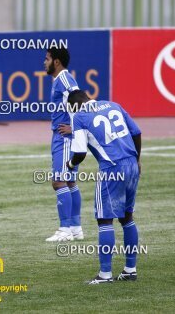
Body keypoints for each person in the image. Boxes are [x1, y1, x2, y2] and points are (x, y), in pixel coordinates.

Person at [66, 90, 141, 284]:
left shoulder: (80, 117)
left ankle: (105, 275)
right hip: (132, 163)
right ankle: (130, 269)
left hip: (112, 168)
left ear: (74, 106)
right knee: (127, 217)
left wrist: (71, 165)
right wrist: (137, 160)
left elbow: (80, 152)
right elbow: (136, 132)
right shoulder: (113, 105)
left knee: (104, 220)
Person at [44, 47, 84, 242]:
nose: (44, 62)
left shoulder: (65, 79)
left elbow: (81, 100)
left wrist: (74, 127)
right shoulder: (58, 80)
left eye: (47, 59)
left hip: (65, 138)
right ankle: (75, 228)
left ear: (56, 62)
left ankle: (65, 229)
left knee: (59, 181)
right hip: (64, 137)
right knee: (69, 182)